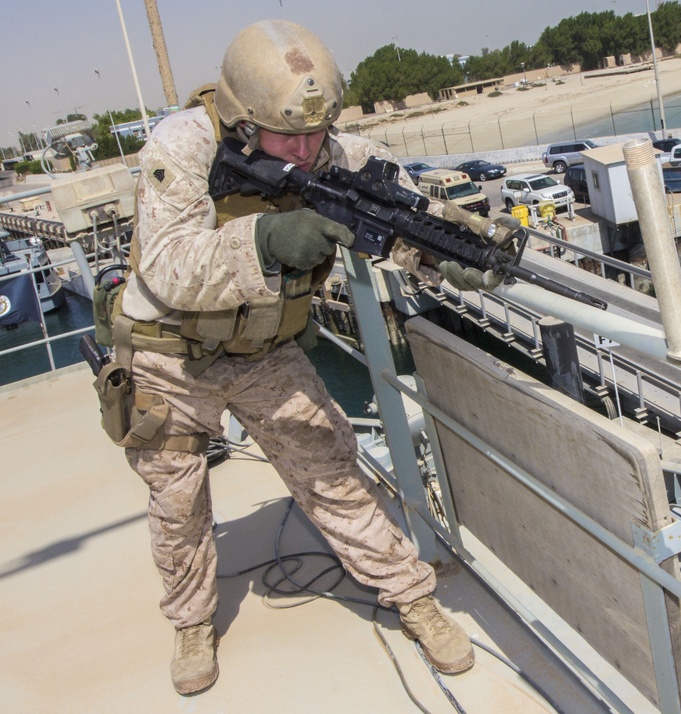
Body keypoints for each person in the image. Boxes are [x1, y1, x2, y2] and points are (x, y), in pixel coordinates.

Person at [114, 19, 483, 695]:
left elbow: (392, 202)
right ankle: (192, 622)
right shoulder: (183, 145)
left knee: (332, 473)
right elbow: (167, 266)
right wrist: (267, 241)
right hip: (168, 356)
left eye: (319, 132)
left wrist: (448, 249)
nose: (308, 150)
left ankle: (412, 596)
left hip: (261, 352)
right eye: (289, 136)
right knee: (178, 503)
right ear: (241, 119)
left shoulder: (324, 146)